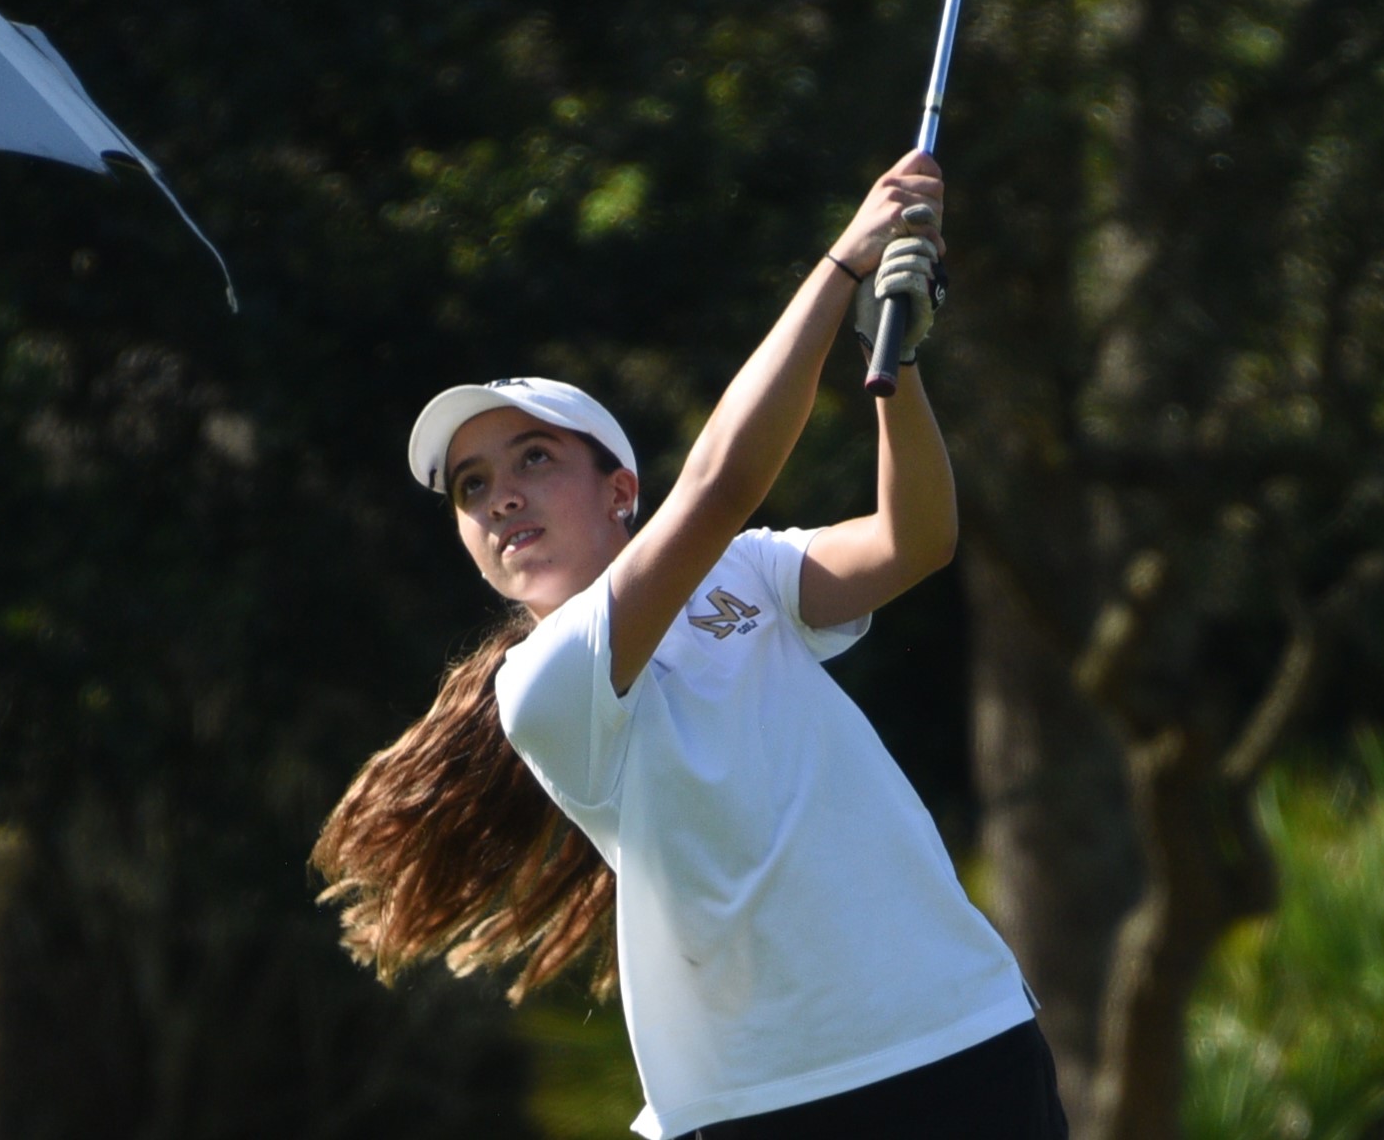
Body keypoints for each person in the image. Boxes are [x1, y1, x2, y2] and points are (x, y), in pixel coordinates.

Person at [312, 151, 1065, 1140]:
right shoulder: (542, 683)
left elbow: (912, 540)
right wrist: (844, 263)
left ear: (619, 491)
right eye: (471, 485)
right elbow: (720, 484)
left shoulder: (745, 572)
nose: (500, 497)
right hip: (763, 1102)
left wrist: (896, 362)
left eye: (533, 458)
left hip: (958, 1028)